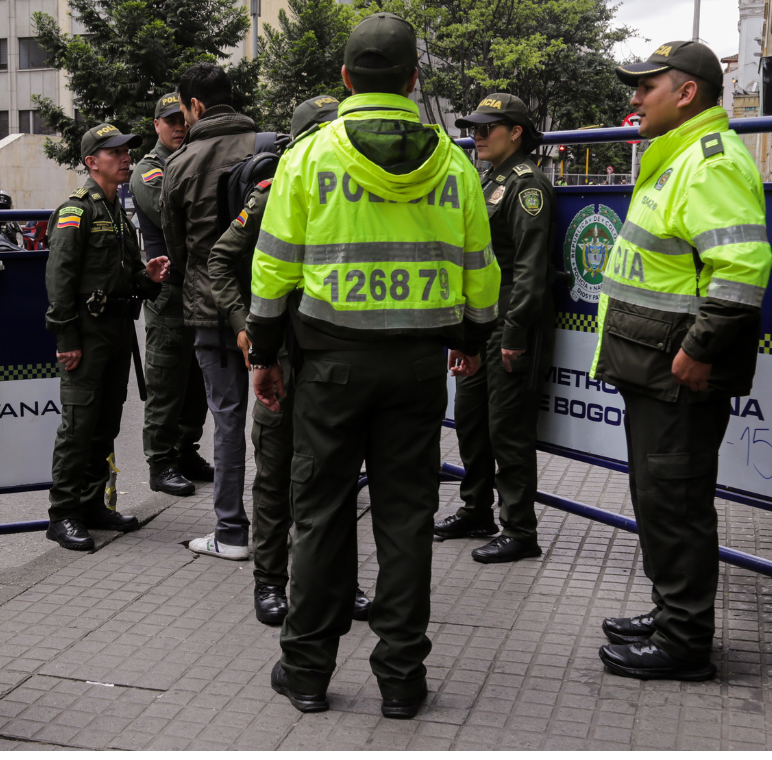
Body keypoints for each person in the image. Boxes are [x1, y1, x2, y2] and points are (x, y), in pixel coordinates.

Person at [249, 12, 500, 719]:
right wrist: (472, 339)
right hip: (419, 368)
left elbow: (273, 268)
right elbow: (482, 271)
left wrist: (264, 355)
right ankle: (401, 678)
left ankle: (306, 672)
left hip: (330, 366)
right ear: (414, 79)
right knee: (406, 521)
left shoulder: (308, 156)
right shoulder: (455, 164)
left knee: (320, 516)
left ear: (345, 78)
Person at [594, 41, 771, 682]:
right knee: (658, 498)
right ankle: (672, 612)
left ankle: (685, 640)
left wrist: (699, 350)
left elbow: (742, 268)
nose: (635, 98)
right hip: (654, 367)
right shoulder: (678, 156)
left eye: (647, 87)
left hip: (678, 372)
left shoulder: (709, 161)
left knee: (675, 502)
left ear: (687, 92)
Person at [206, 95, 372, 626]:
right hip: (279, 356)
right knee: (276, 474)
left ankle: (337, 582)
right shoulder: (272, 190)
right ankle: (270, 581)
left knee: (336, 479)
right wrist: (243, 327)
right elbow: (220, 260)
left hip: (335, 357)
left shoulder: (355, 188)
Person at [435, 93, 555, 563]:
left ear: (516, 132)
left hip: (508, 324)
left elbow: (529, 268)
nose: (477, 136)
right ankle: (476, 511)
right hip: (480, 324)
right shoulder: (491, 180)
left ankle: (520, 529)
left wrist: (515, 333)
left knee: (507, 430)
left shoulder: (528, 185)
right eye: (474, 129)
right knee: (470, 421)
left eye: (488, 128)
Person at [44, 123, 172, 551]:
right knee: (78, 426)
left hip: (117, 332)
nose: (125, 157)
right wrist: (66, 338)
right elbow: (59, 280)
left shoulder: (118, 211)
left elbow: (127, 276)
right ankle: (63, 514)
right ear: (91, 162)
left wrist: (148, 277)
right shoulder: (76, 211)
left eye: (126, 151)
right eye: (114, 152)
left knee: (105, 425)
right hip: (87, 333)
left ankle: (91, 504)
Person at [162, 63, 259, 561]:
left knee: (227, 419)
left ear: (194, 106)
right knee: (281, 417)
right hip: (272, 304)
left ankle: (231, 530)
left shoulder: (181, 163)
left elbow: (178, 248)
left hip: (213, 310)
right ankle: (284, 523)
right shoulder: (270, 147)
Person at [131, 91, 213, 498]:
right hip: (169, 290)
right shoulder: (150, 170)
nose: (179, 127)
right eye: (170, 121)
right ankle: (160, 462)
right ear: (157, 126)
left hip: (198, 287)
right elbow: (174, 213)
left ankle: (185, 450)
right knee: (166, 379)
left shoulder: (193, 159)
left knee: (196, 378)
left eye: (182, 119)